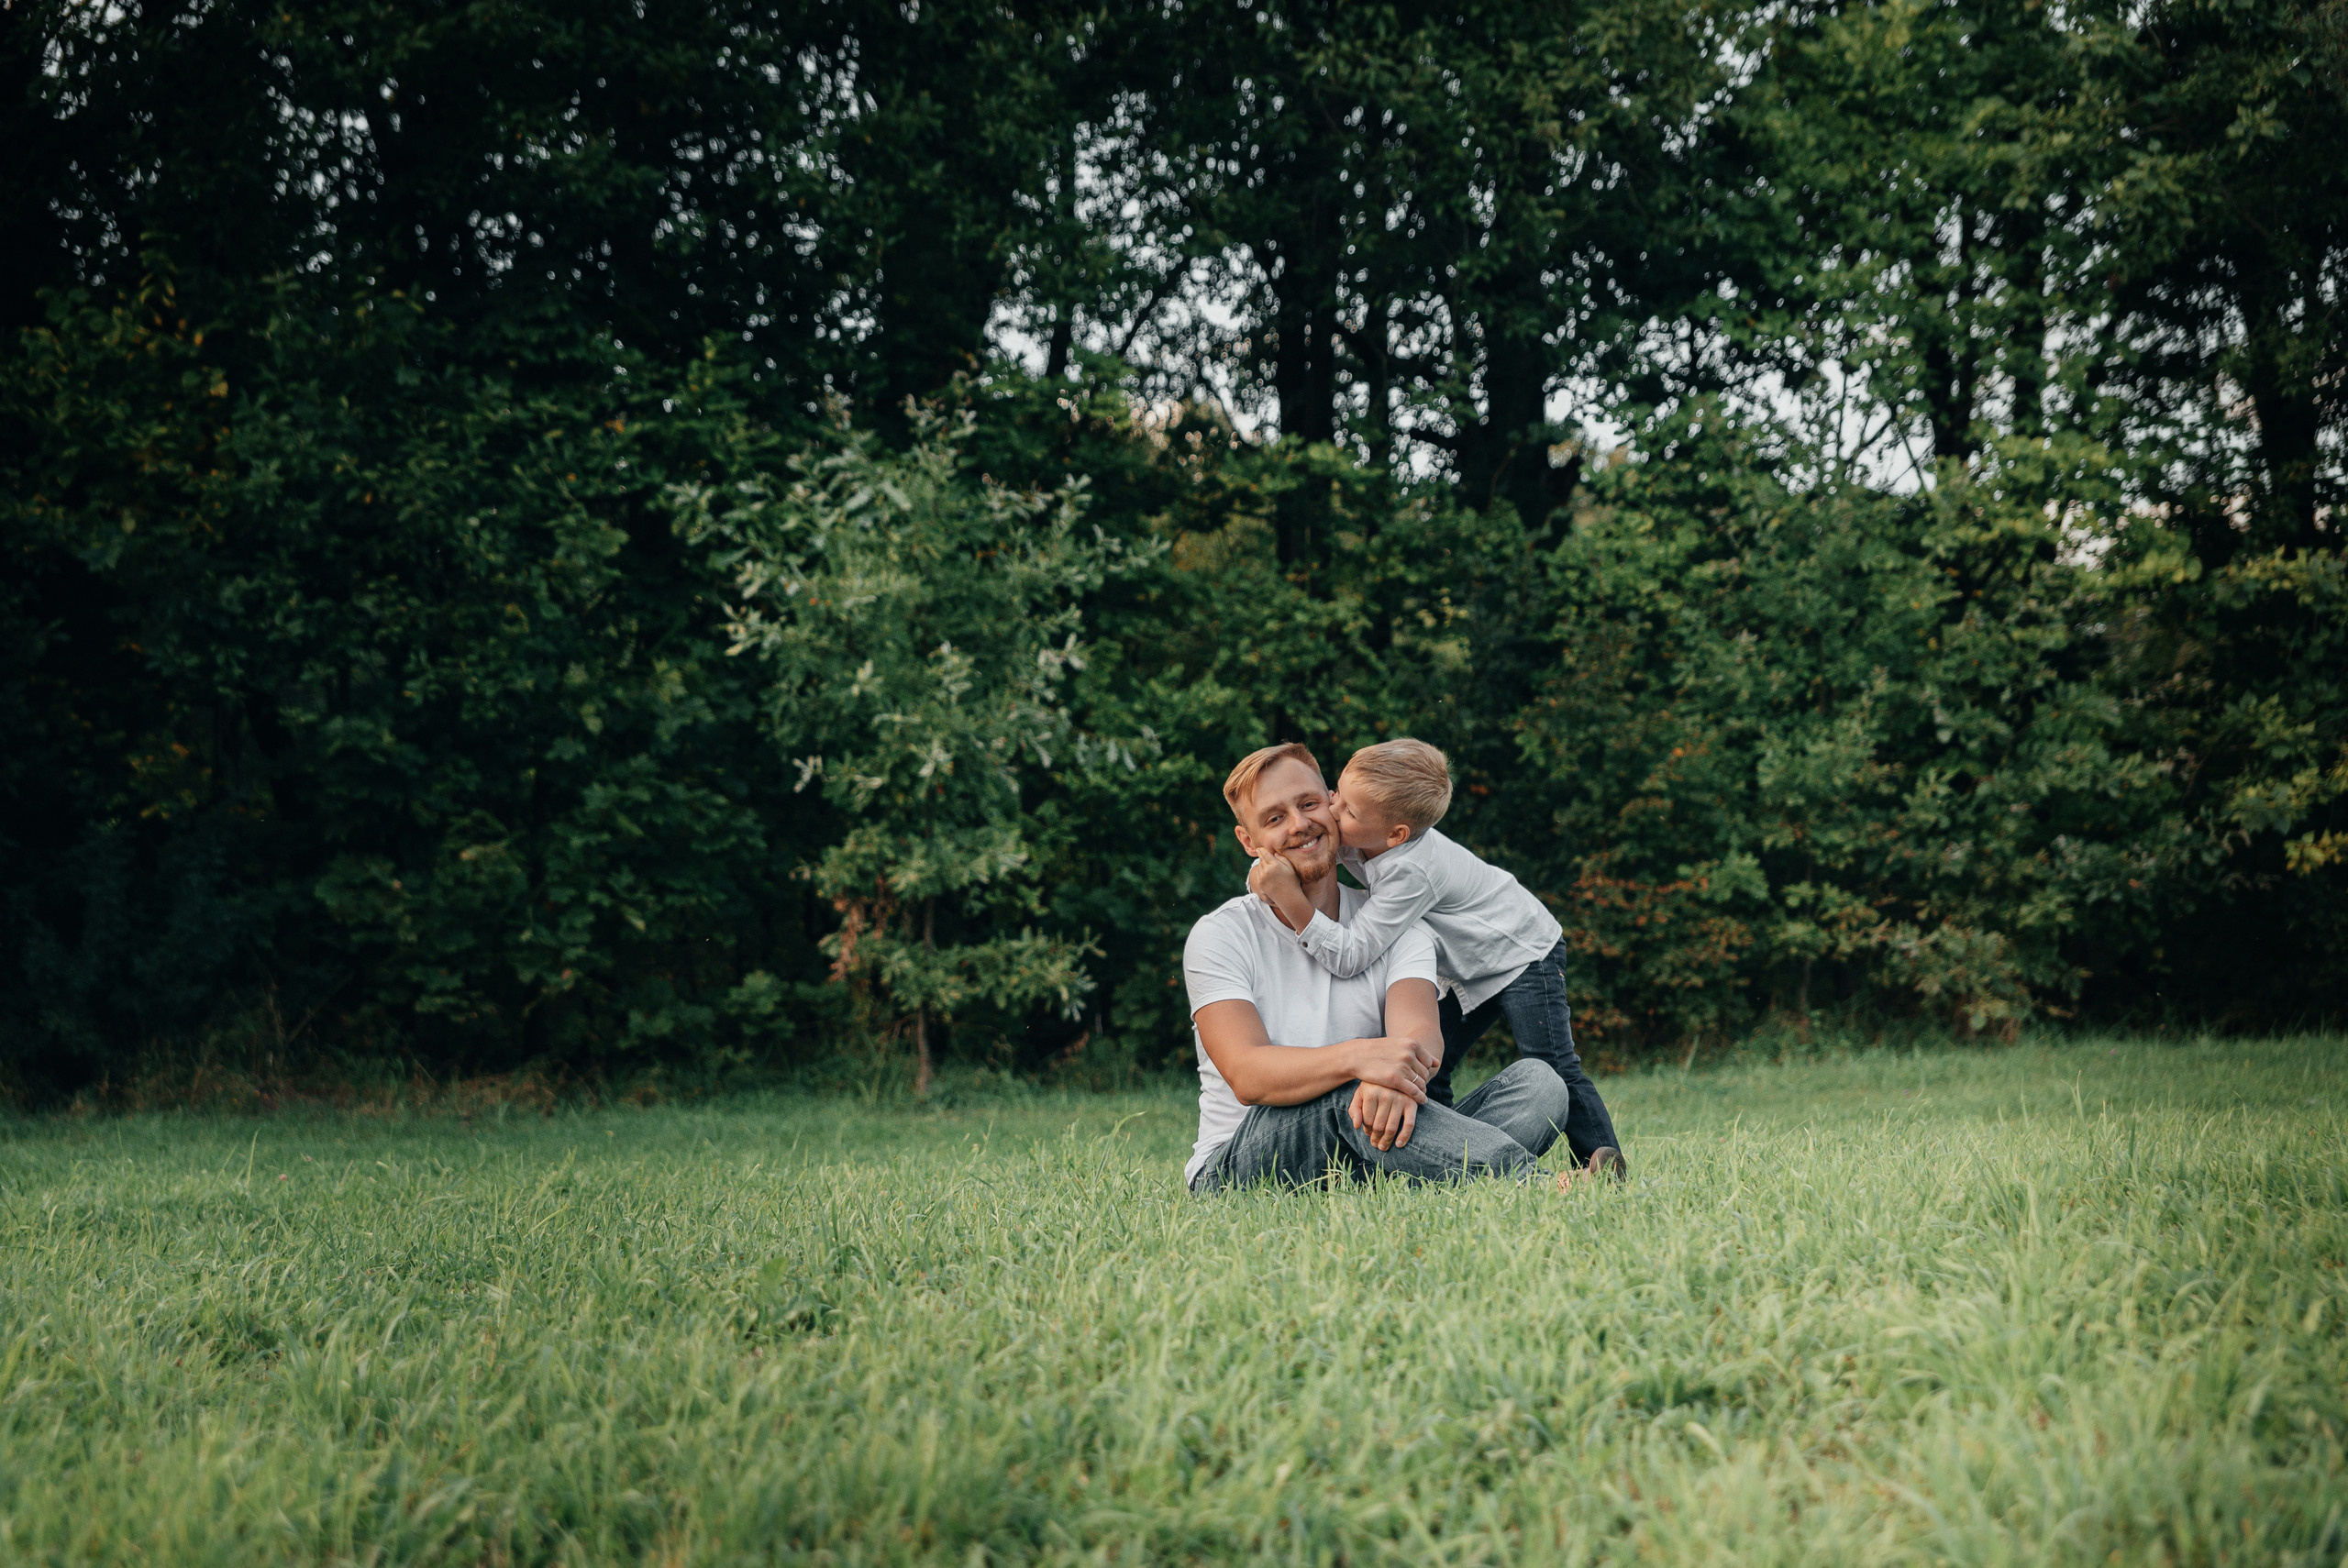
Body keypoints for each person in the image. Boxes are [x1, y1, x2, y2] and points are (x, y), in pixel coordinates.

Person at [1184, 742, 1609, 1193]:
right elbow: (1248, 1075)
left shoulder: (1393, 923)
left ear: (1332, 804)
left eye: (1309, 804)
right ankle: (1537, 1186)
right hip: (1242, 1164)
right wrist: (1362, 1060)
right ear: (1249, 842)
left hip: (1372, 1132)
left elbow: (1420, 1039)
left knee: (1541, 1084)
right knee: (1346, 1092)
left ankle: (1413, 1179)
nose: (1300, 824)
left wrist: (1395, 1076)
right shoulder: (1221, 934)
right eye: (1274, 818)